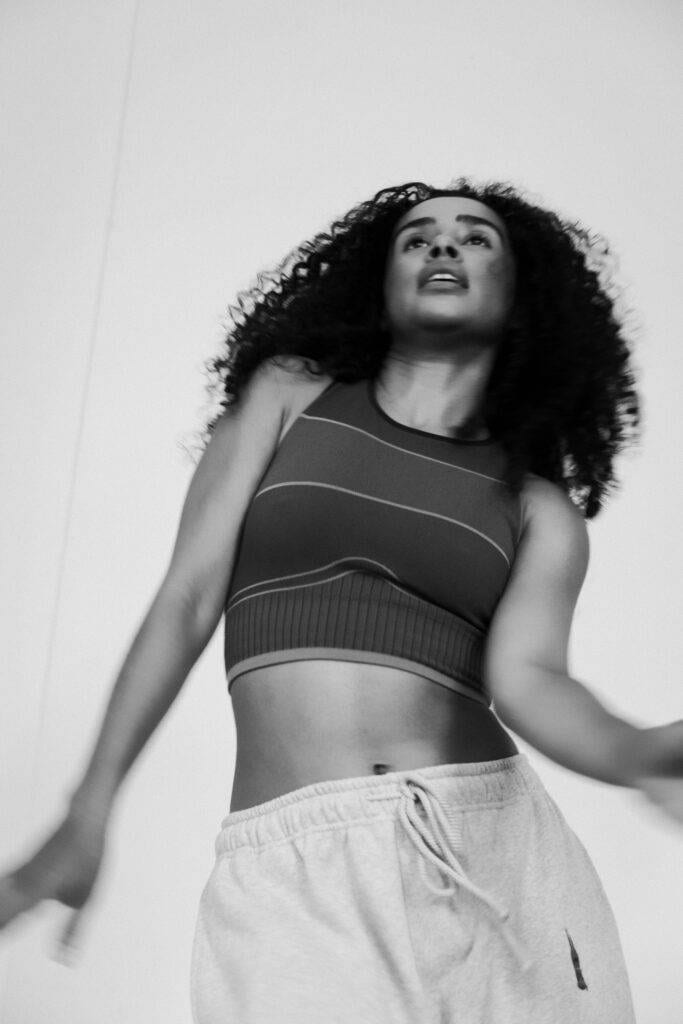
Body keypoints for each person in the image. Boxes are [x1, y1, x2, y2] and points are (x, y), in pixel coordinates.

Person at [1, 179, 681, 1023]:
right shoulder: (290, 396)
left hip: (487, 850)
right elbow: (187, 595)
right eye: (415, 238)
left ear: (521, 295)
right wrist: (89, 805)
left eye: (475, 237)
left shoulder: (539, 510)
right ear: (378, 281)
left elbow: (534, 681)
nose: (442, 245)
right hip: (291, 859)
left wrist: (637, 751)